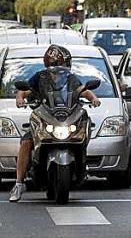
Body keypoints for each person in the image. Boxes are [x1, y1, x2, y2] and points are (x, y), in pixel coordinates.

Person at [9, 44, 101, 202]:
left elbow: (83, 90)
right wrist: (20, 98)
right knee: (26, 142)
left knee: (81, 130)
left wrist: (94, 99)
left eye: (61, 64)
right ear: (48, 64)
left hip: (65, 116)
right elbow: (25, 90)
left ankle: (81, 165)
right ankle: (19, 183)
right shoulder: (40, 77)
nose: (58, 68)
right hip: (45, 117)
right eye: (56, 64)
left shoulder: (71, 78)